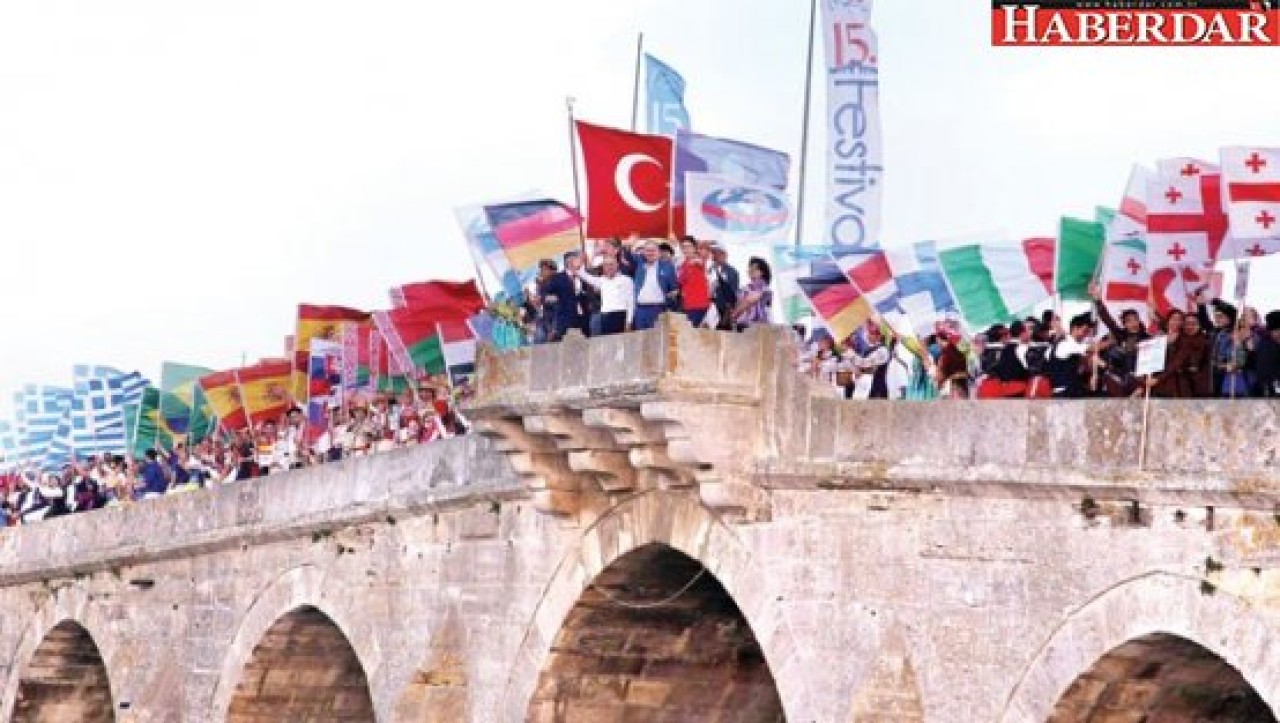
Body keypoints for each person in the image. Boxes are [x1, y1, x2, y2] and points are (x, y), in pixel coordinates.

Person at [576, 255, 635, 335]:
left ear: (617, 265)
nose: (609, 267)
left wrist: (629, 322)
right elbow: (583, 275)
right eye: (606, 265)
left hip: (621, 315)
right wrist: (581, 262)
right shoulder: (601, 281)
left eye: (611, 264)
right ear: (603, 267)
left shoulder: (626, 280)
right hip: (605, 316)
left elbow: (631, 302)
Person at [1045, 313, 1095, 398]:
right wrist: (1110, 342)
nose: (1085, 335)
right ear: (1075, 328)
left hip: (1069, 391)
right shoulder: (1067, 344)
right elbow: (1092, 348)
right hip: (1065, 393)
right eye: (1084, 331)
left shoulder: (1069, 345)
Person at [631, 240, 679, 330]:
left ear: (659, 252)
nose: (650, 253)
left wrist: (673, 294)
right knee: (641, 339)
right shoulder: (639, 263)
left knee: (657, 339)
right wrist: (631, 243)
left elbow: (674, 288)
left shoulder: (667, 266)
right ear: (643, 252)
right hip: (640, 309)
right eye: (648, 250)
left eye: (653, 250)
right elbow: (627, 253)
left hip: (658, 309)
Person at [540, 253, 585, 342]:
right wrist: (547, 298)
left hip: (583, 318)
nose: (580, 262)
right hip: (566, 322)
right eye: (577, 260)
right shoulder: (558, 278)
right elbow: (545, 293)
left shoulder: (583, 275)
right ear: (570, 262)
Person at [677, 237, 711, 327]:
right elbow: (681, 282)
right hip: (687, 305)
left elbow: (702, 262)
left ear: (695, 248)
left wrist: (698, 260)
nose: (686, 249)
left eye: (689, 247)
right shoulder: (683, 265)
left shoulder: (699, 260)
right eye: (683, 247)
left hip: (699, 305)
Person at [733, 257, 773, 330]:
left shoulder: (764, 288)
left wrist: (734, 314)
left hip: (758, 327)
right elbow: (738, 304)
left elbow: (749, 300)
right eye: (750, 267)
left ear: (762, 272)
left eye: (754, 268)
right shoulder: (745, 288)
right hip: (743, 326)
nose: (751, 270)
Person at [706, 243, 740, 331]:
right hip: (709, 309)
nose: (713, 256)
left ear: (724, 255)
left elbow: (732, 296)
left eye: (716, 253)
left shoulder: (732, 272)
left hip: (723, 311)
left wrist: (726, 315)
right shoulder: (709, 270)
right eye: (712, 253)